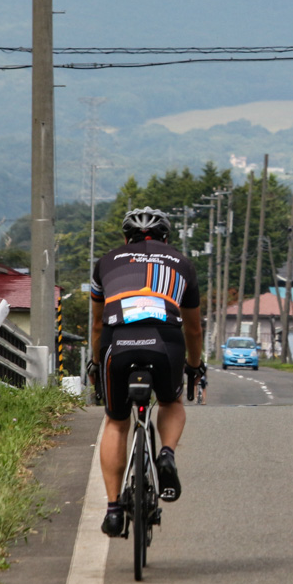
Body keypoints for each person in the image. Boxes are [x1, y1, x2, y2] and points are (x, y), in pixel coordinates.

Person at [88, 206, 204, 537]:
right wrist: (194, 367)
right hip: (165, 339)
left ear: (125, 238)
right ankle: (166, 454)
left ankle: (112, 511)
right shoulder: (183, 264)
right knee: (170, 403)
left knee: (116, 421)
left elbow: (97, 323)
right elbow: (194, 330)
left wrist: (97, 363)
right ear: (167, 238)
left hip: (118, 340)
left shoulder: (106, 263)